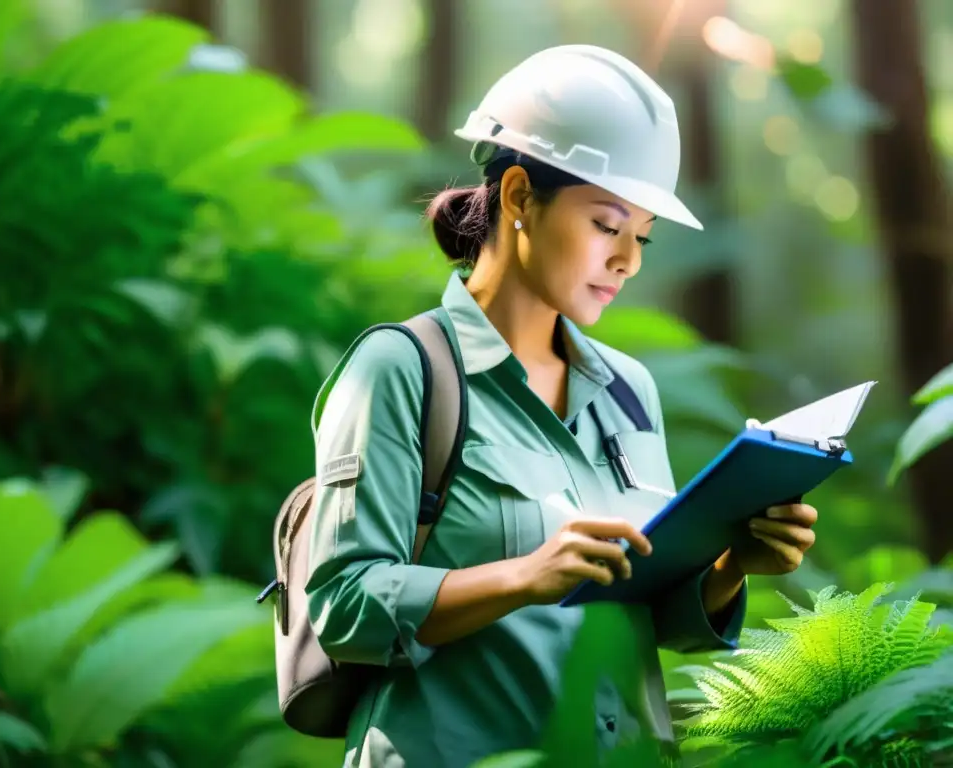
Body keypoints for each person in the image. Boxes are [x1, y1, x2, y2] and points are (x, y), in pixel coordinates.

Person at [304, 45, 819, 767]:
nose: (629, 260)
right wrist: (523, 576)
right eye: (607, 226)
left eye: (641, 236)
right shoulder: (404, 369)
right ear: (517, 197)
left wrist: (733, 562)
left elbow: (646, 605)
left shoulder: (629, 392)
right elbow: (343, 604)